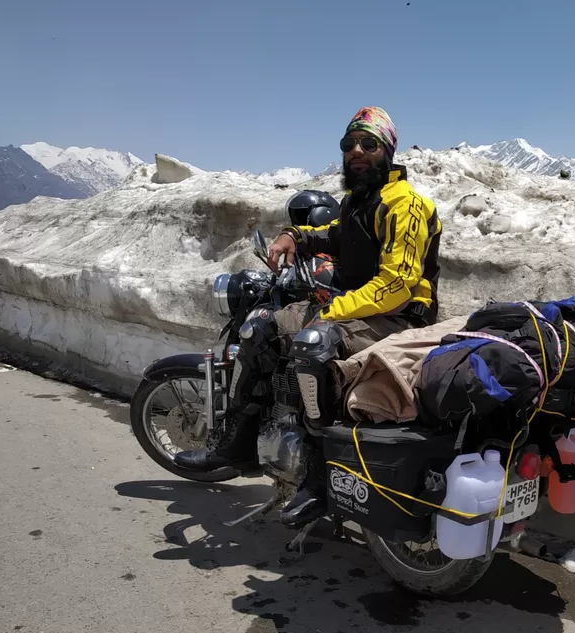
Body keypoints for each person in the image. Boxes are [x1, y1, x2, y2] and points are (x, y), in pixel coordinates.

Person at [174, 106, 443, 528]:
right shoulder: (359, 200)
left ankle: (320, 478)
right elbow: (334, 237)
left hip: (399, 317)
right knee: (261, 326)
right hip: (357, 309)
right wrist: (294, 236)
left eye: (368, 143)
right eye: (349, 144)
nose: (356, 151)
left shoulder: (404, 205)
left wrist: (329, 313)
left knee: (315, 344)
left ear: (387, 150)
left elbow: (397, 285)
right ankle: (238, 446)